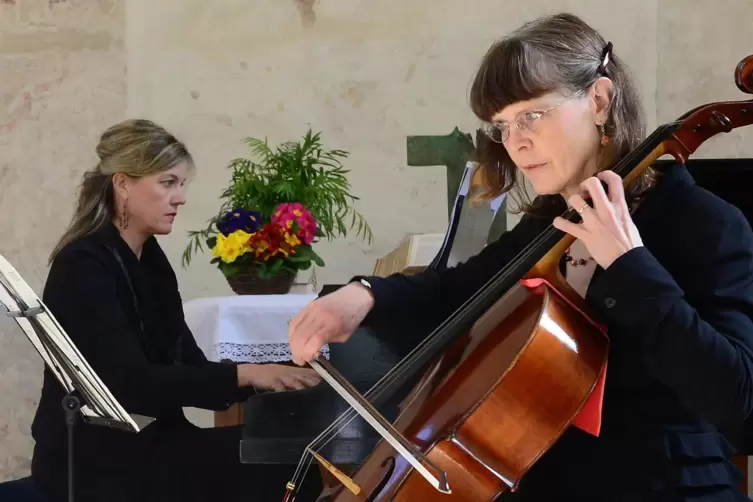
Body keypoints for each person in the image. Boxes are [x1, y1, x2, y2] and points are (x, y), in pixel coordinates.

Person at [288, 13, 753, 502]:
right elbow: (456, 292)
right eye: (502, 125)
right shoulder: (549, 225)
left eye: (532, 114)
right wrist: (362, 295)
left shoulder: (705, 223)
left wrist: (629, 264)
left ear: (599, 100)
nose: (515, 142)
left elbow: (738, 401)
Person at [30, 119, 325, 502]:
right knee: (283, 461)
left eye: (182, 185)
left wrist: (277, 381)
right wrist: (249, 372)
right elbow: (130, 384)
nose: (181, 197)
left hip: (153, 442)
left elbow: (187, 364)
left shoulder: (150, 260)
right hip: (95, 461)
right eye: (168, 183)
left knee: (292, 450)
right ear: (122, 184)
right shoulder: (83, 265)